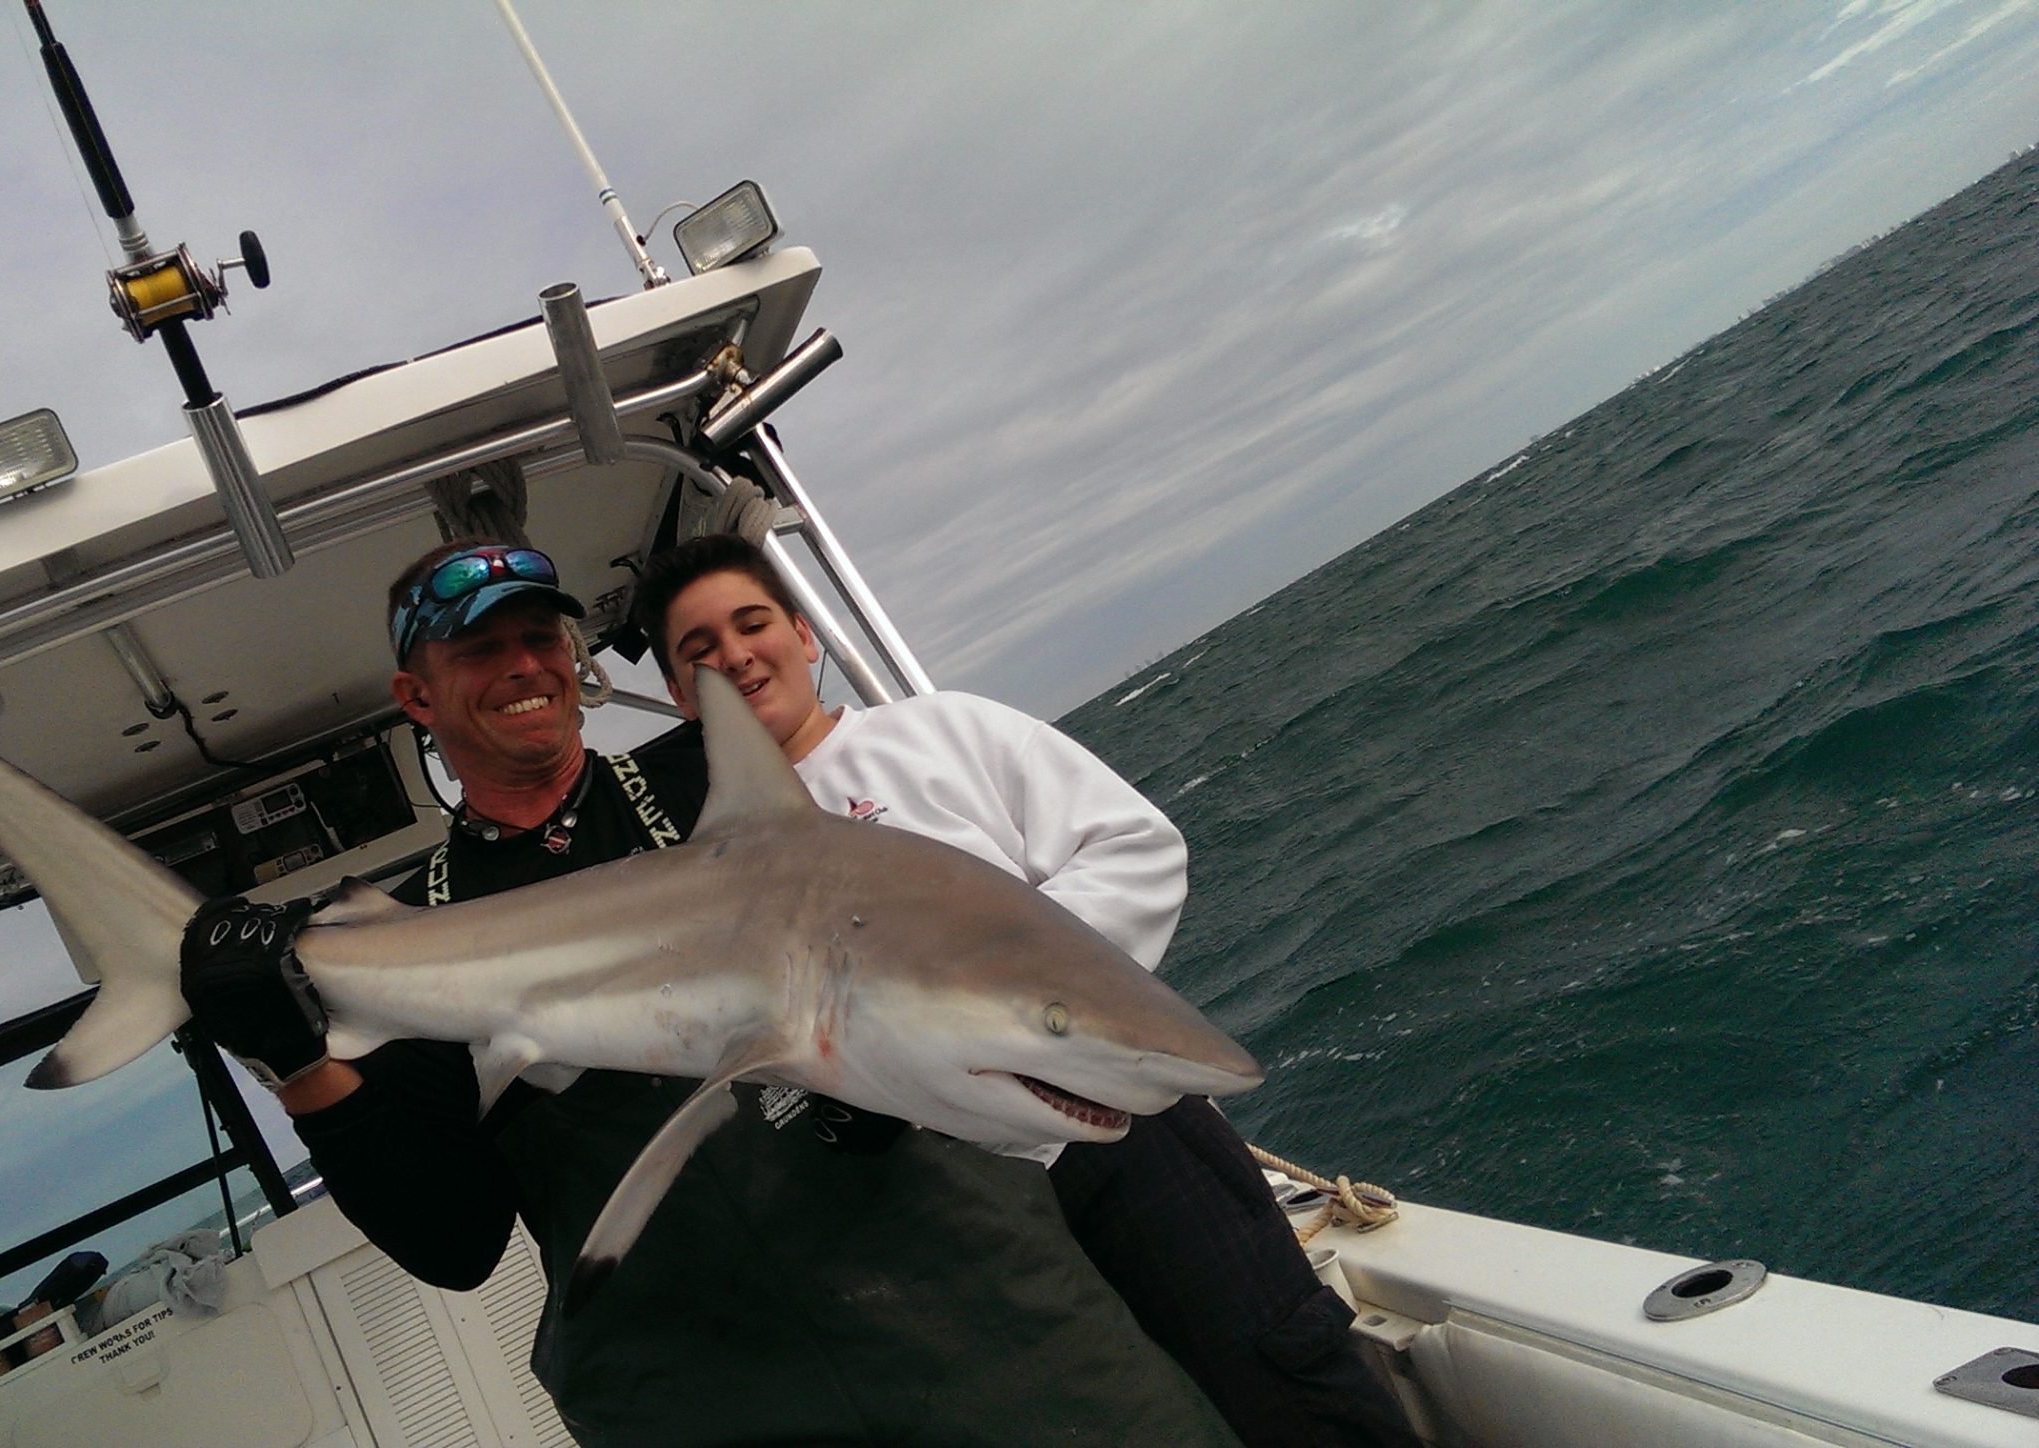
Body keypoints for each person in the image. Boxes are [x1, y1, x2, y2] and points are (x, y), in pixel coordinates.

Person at [178, 538, 1241, 1448]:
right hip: (693, 1391)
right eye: (479, 649)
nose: (524, 665)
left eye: (542, 638)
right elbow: (452, 1242)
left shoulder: (720, 782)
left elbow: (946, 905)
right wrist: (295, 1061)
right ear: (416, 693)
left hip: (986, 1319)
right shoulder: (415, 941)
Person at [631, 532, 1418, 1448]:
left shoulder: (942, 731)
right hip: (950, 1208)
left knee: (1287, 1372)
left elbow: (1137, 847)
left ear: (805, 635)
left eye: (751, 623)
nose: (733, 654)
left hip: (1121, 1132)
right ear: (684, 698)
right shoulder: (706, 873)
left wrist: (1014, 994)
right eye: (699, 652)